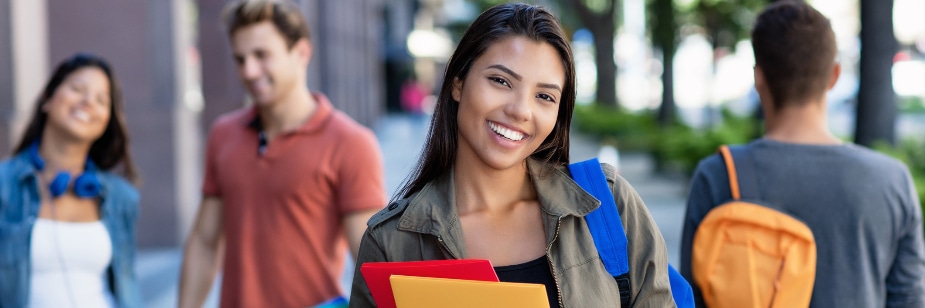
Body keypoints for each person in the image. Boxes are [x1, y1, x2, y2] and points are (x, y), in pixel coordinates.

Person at [349, 3, 674, 307]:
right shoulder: (392, 241)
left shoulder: (607, 203)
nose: (520, 110)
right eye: (501, 81)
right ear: (458, 83)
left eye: (544, 96)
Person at [680, 1, 925, 307]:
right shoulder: (892, 180)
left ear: (759, 77)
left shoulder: (717, 175)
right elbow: (908, 299)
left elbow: (691, 297)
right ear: (834, 75)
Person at [178, 0, 386, 307]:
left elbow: (369, 261)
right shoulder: (223, 135)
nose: (249, 71)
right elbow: (206, 243)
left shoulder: (351, 142)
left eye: (262, 55)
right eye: (240, 59)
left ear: (301, 52)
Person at [0, 53, 142, 307]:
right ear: (47, 99)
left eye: (101, 100)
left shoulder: (121, 197)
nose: (88, 101)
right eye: (78, 89)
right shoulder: (4, 185)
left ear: (106, 119)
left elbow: (128, 287)